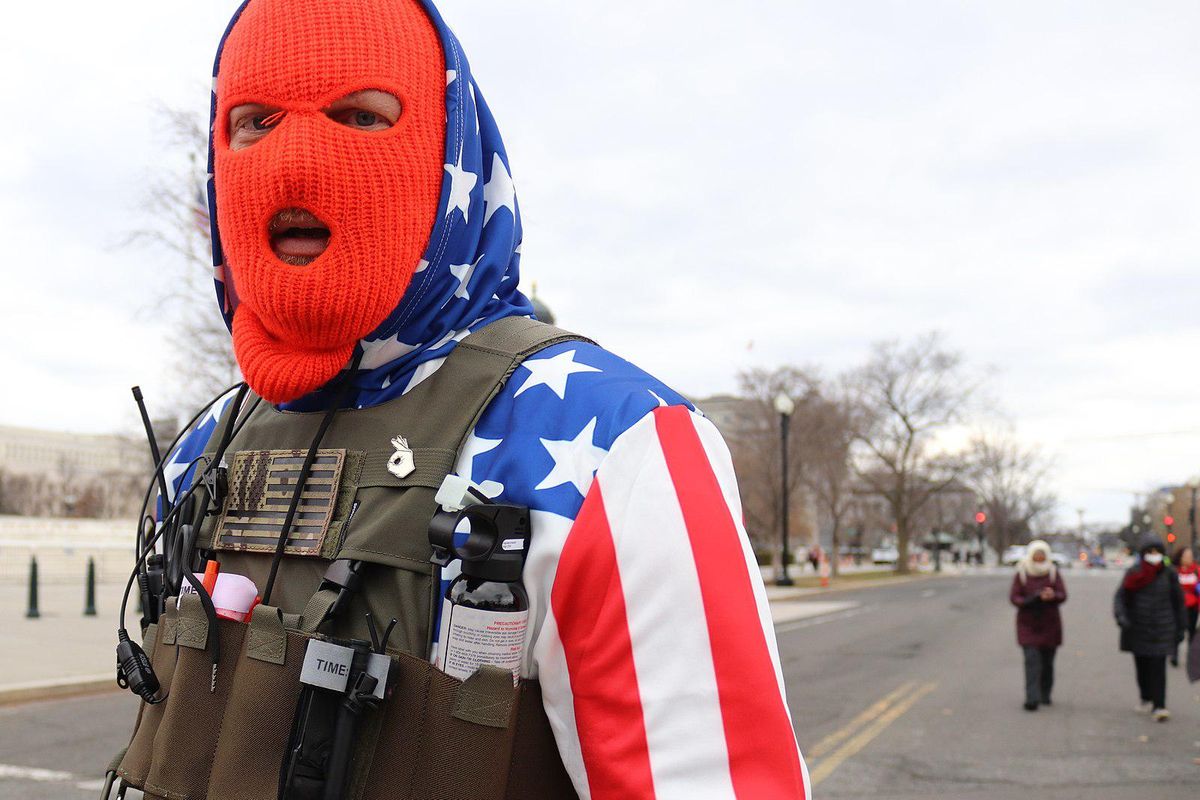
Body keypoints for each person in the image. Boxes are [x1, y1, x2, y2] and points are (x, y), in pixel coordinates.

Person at [109, 1, 809, 798]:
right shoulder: (207, 448)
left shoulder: (619, 447)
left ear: (451, 154)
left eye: (359, 116)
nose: (294, 162)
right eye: (255, 122)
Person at [1114, 538, 1186, 722]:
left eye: (1157, 552)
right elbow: (1121, 597)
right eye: (1150, 551)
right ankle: (1146, 696)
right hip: (1138, 626)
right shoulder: (1134, 573)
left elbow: (1178, 601)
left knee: (1158, 666)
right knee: (1143, 666)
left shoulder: (1169, 573)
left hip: (1163, 626)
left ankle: (1159, 705)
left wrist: (1181, 626)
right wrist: (1122, 618)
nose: (1154, 556)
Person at [1009, 540, 1067, 711]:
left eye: (1043, 556)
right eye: (1037, 555)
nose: (1040, 559)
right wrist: (1031, 598)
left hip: (1050, 623)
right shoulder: (1022, 573)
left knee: (1047, 662)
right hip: (1028, 624)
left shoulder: (1053, 573)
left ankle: (1045, 693)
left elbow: (1063, 594)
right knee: (1032, 661)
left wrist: (1053, 595)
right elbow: (1014, 597)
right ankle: (1032, 697)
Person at [1175, 546, 1198, 645]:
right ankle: (1174, 655)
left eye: (1190, 556)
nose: (1189, 558)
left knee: (1191, 631)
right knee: (1176, 631)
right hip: (1178, 606)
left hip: (1193, 607)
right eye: (1186, 556)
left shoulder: (1197, 570)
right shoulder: (1174, 571)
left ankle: (1190, 655)